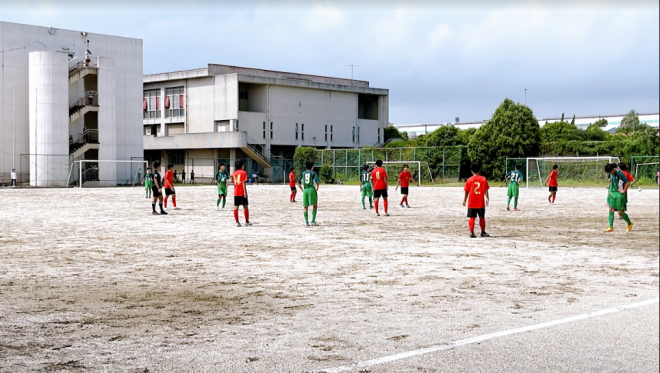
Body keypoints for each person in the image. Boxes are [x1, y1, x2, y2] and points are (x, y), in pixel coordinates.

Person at [463, 163, 490, 238]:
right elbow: (486, 190)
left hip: (472, 202)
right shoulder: (483, 179)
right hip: (480, 202)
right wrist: (487, 198)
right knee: (482, 217)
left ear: (471, 171)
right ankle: (483, 232)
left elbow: (466, 191)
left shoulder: (469, 180)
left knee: (472, 217)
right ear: (479, 170)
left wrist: (464, 200)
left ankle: (472, 233)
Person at [604, 163, 633, 232]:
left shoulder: (620, 173)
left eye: (610, 171)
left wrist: (624, 190)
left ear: (613, 169)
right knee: (611, 210)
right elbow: (611, 183)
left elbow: (627, 182)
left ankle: (629, 223)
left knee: (620, 211)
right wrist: (609, 192)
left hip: (619, 195)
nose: (610, 173)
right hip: (613, 194)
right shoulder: (611, 174)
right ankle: (611, 227)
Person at [297, 161, 320, 226]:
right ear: (312, 166)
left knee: (305, 206)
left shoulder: (303, 173)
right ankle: (312, 221)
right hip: (311, 189)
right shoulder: (313, 173)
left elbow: (298, 183)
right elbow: (318, 182)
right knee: (315, 205)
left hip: (305, 190)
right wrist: (317, 189)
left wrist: (302, 190)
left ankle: (306, 222)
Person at [233, 160, 252, 227]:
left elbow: (234, 184)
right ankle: (246, 221)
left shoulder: (234, 173)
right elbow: (243, 183)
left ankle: (237, 222)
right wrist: (244, 192)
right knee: (245, 206)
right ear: (241, 166)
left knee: (236, 207)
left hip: (236, 192)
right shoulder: (243, 172)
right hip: (242, 192)